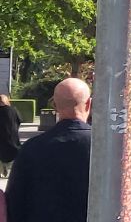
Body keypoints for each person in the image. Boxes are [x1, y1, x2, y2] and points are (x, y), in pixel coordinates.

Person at [3, 78, 92, 222]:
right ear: (89, 103)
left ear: (55, 105)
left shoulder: (32, 148)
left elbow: (15, 202)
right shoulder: (101, 150)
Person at [0, 94, 20, 178]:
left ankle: (2, 171)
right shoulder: (14, 110)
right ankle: (8, 171)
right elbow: (19, 121)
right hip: (13, 139)